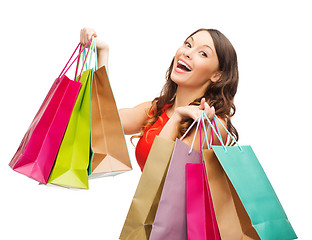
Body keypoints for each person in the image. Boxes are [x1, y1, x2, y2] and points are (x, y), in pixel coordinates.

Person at [80, 27, 239, 171]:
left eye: (203, 53)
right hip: (148, 204)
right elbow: (103, 121)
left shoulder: (210, 124)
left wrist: (176, 118)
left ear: (217, 75)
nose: (187, 52)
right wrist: (102, 53)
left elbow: (159, 173)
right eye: (188, 44)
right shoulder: (157, 108)